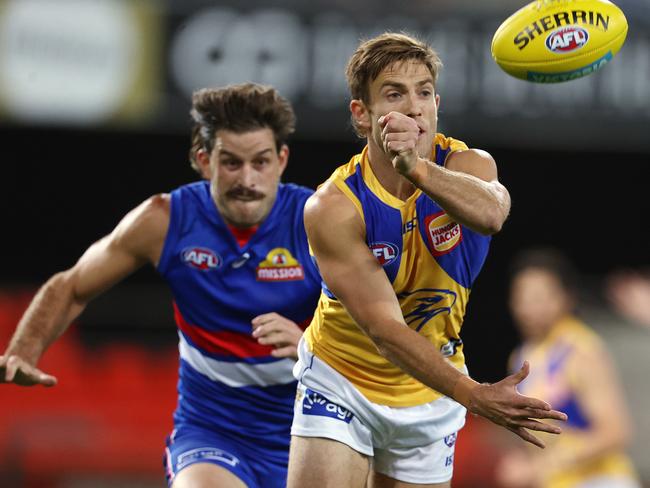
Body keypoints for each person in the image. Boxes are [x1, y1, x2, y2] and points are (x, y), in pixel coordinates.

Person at [0, 83, 323, 488]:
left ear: (282, 160)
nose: (247, 179)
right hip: (213, 436)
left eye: (260, 162)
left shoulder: (318, 223)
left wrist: (310, 344)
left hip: (315, 431)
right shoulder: (165, 220)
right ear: (204, 161)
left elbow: (382, 324)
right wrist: (24, 350)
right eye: (231, 163)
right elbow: (72, 286)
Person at [287, 32, 567, 488]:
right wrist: (475, 396)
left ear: (437, 103)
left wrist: (414, 167)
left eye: (423, 93)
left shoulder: (470, 166)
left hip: (431, 385)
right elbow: (385, 331)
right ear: (362, 114)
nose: (414, 107)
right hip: (344, 379)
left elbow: (492, 214)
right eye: (394, 93)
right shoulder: (333, 207)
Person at [495, 248, 640, 488]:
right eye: (523, 297)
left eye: (540, 297)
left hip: (600, 480)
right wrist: (520, 462)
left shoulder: (581, 349)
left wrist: (548, 463)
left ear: (566, 298)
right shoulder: (521, 357)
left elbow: (616, 431)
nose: (530, 307)